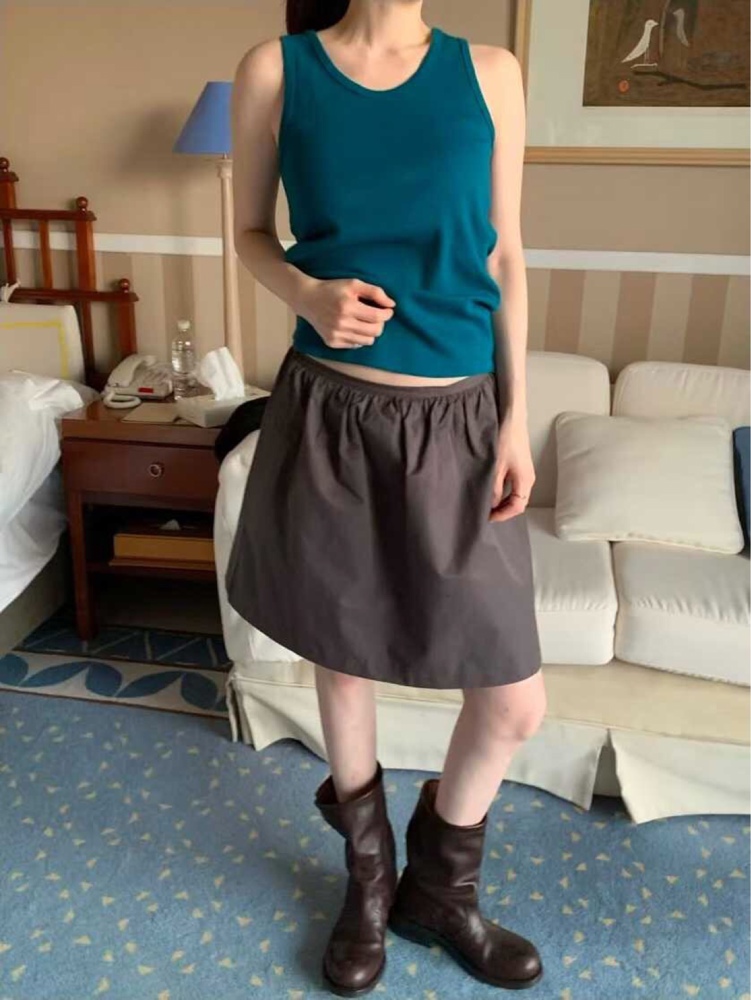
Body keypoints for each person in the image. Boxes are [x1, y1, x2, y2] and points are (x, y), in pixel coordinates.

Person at [226, 0, 547, 993]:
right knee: (343, 659)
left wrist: (515, 418)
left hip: (460, 419)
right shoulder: (276, 69)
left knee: (513, 701)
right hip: (329, 412)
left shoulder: (488, 72)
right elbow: (249, 232)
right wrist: (305, 293)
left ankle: (438, 890)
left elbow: (504, 253)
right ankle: (370, 885)